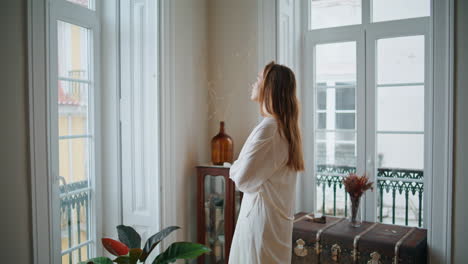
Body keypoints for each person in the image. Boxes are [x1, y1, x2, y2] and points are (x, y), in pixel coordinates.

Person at [229, 61, 304, 263]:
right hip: (272, 225)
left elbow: (242, 180)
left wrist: (235, 167)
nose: (253, 84)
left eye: (258, 79)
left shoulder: (269, 129)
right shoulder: (284, 129)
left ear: (269, 88)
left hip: (259, 225)